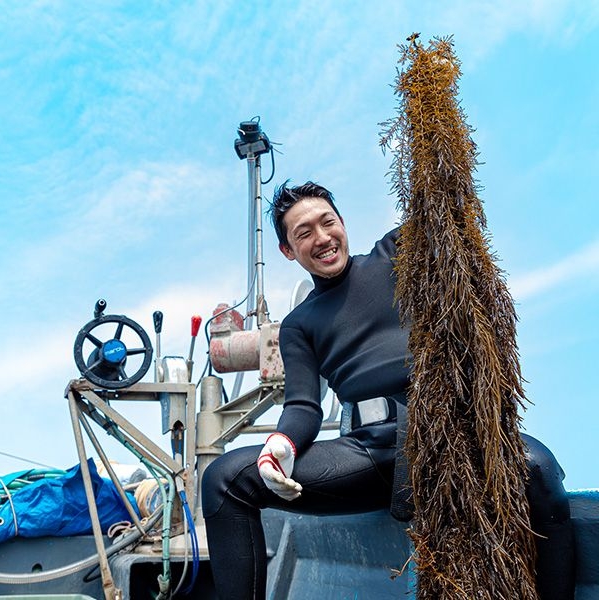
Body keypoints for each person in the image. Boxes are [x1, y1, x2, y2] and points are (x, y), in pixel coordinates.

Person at [201, 181, 575, 600]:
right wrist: (281, 443)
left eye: (328, 222)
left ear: (342, 223)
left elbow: (446, 204)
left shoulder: (394, 253)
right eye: (303, 233)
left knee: (538, 467)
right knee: (223, 479)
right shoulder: (298, 325)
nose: (322, 238)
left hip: (451, 435)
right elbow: (304, 406)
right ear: (289, 251)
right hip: (370, 454)